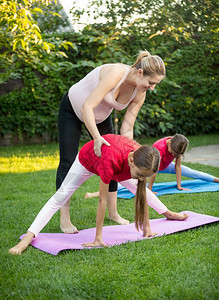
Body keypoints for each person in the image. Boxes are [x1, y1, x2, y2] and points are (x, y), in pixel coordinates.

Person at [9, 134, 188, 255]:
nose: (142, 179)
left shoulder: (141, 160)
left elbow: (141, 191)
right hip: (87, 162)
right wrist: (98, 238)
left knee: (140, 187)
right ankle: (28, 237)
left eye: (145, 176)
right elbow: (102, 201)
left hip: (122, 168)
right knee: (61, 196)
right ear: (132, 161)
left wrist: (147, 227)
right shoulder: (113, 159)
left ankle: (168, 213)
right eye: (141, 175)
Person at [56, 50, 166, 233]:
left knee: (117, 158)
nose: (152, 87)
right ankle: (64, 217)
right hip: (73, 109)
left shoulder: (140, 92)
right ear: (140, 73)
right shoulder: (116, 73)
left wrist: (132, 151)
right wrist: (97, 138)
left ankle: (113, 212)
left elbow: (128, 128)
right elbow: (87, 106)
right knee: (68, 161)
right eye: (151, 82)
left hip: (100, 117)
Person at [148, 134, 219, 193]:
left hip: (166, 165)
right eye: (172, 152)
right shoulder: (159, 147)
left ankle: (217, 179)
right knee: (138, 179)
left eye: (175, 154)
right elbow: (154, 169)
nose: (173, 154)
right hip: (151, 167)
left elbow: (178, 166)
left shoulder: (178, 145)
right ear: (169, 142)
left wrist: (179, 185)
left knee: (193, 173)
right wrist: (150, 189)